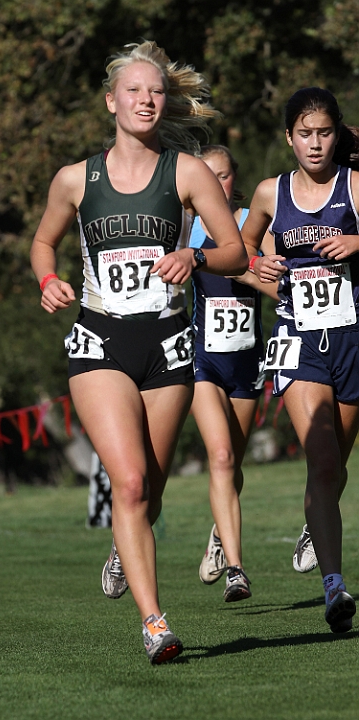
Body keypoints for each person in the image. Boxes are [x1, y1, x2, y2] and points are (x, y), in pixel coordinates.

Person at [30, 41, 248, 664]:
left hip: (168, 343)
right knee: (126, 482)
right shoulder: (77, 179)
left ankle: (125, 547)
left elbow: (236, 249)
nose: (147, 100)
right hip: (100, 339)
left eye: (155, 91)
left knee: (148, 488)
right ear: (111, 102)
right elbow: (42, 243)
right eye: (134, 91)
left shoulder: (187, 173)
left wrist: (195, 255)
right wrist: (49, 281)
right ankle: (155, 624)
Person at [241, 87, 359, 633]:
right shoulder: (271, 192)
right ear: (289, 137)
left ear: (338, 134)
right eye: (305, 134)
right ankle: (334, 587)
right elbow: (238, 252)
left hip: (352, 337)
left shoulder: (355, 187)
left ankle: (318, 518)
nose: (315, 144)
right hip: (298, 339)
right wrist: (260, 267)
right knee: (324, 460)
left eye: (325, 132)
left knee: (336, 463)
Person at [190, 145, 278, 603]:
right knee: (221, 457)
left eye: (223, 176)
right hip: (202, 362)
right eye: (207, 175)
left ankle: (219, 533)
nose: (216, 184)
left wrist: (249, 271)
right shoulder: (187, 227)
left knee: (234, 464)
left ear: (234, 179)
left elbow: (280, 287)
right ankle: (237, 571)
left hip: (247, 362)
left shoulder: (252, 223)